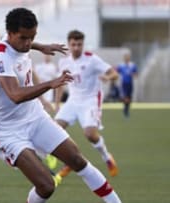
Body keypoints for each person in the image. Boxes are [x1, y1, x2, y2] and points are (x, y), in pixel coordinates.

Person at [0, 8, 122, 203]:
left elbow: (26, 43)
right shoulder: (0, 58)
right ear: (10, 33)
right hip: (8, 131)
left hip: (35, 117)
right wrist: (50, 84)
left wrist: (40, 47)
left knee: (77, 159)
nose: (28, 43)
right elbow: (15, 95)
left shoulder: (21, 43)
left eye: (32, 38)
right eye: (24, 38)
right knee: (47, 185)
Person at [54, 30, 119, 180]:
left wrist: (107, 77)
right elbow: (60, 83)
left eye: (79, 44)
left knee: (90, 134)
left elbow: (114, 74)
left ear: (83, 44)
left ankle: (107, 157)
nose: (76, 47)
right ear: (69, 45)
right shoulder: (64, 61)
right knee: (55, 129)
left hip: (90, 100)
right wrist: (57, 105)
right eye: (73, 44)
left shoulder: (92, 59)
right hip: (72, 100)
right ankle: (70, 161)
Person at [117, 53, 137, 118]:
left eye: (128, 57)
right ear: (124, 58)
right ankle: (125, 111)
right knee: (125, 97)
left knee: (129, 97)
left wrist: (132, 74)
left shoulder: (132, 65)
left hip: (130, 83)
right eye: (126, 57)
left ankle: (127, 109)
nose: (127, 59)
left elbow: (136, 74)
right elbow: (116, 72)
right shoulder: (121, 66)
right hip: (124, 83)